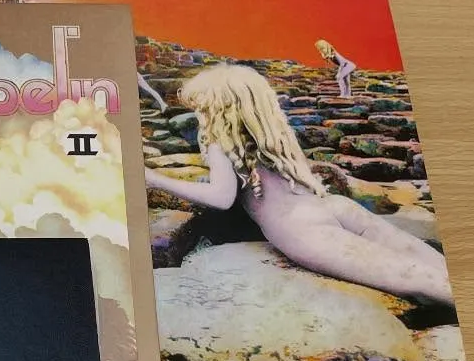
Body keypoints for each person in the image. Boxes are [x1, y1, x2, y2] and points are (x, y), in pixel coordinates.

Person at [144, 64, 453, 306]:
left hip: (300, 230)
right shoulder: (271, 137)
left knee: (413, 278)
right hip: (330, 207)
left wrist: (155, 179)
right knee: (421, 257)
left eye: (199, 107)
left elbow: (221, 197)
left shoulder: (219, 143)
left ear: (215, 107)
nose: (198, 115)